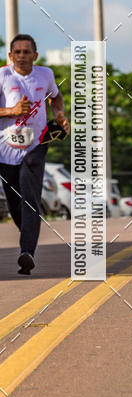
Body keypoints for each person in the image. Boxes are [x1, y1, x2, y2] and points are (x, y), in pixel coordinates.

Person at [0, 34, 70, 274]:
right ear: (10, 56)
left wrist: (59, 114)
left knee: (30, 196)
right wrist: (12, 110)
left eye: (26, 52)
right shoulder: (2, 76)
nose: (21, 56)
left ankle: (26, 252)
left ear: (35, 55)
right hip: (5, 151)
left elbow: (56, 97)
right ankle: (27, 239)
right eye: (17, 52)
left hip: (36, 145)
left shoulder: (45, 75)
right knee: (15, 204)